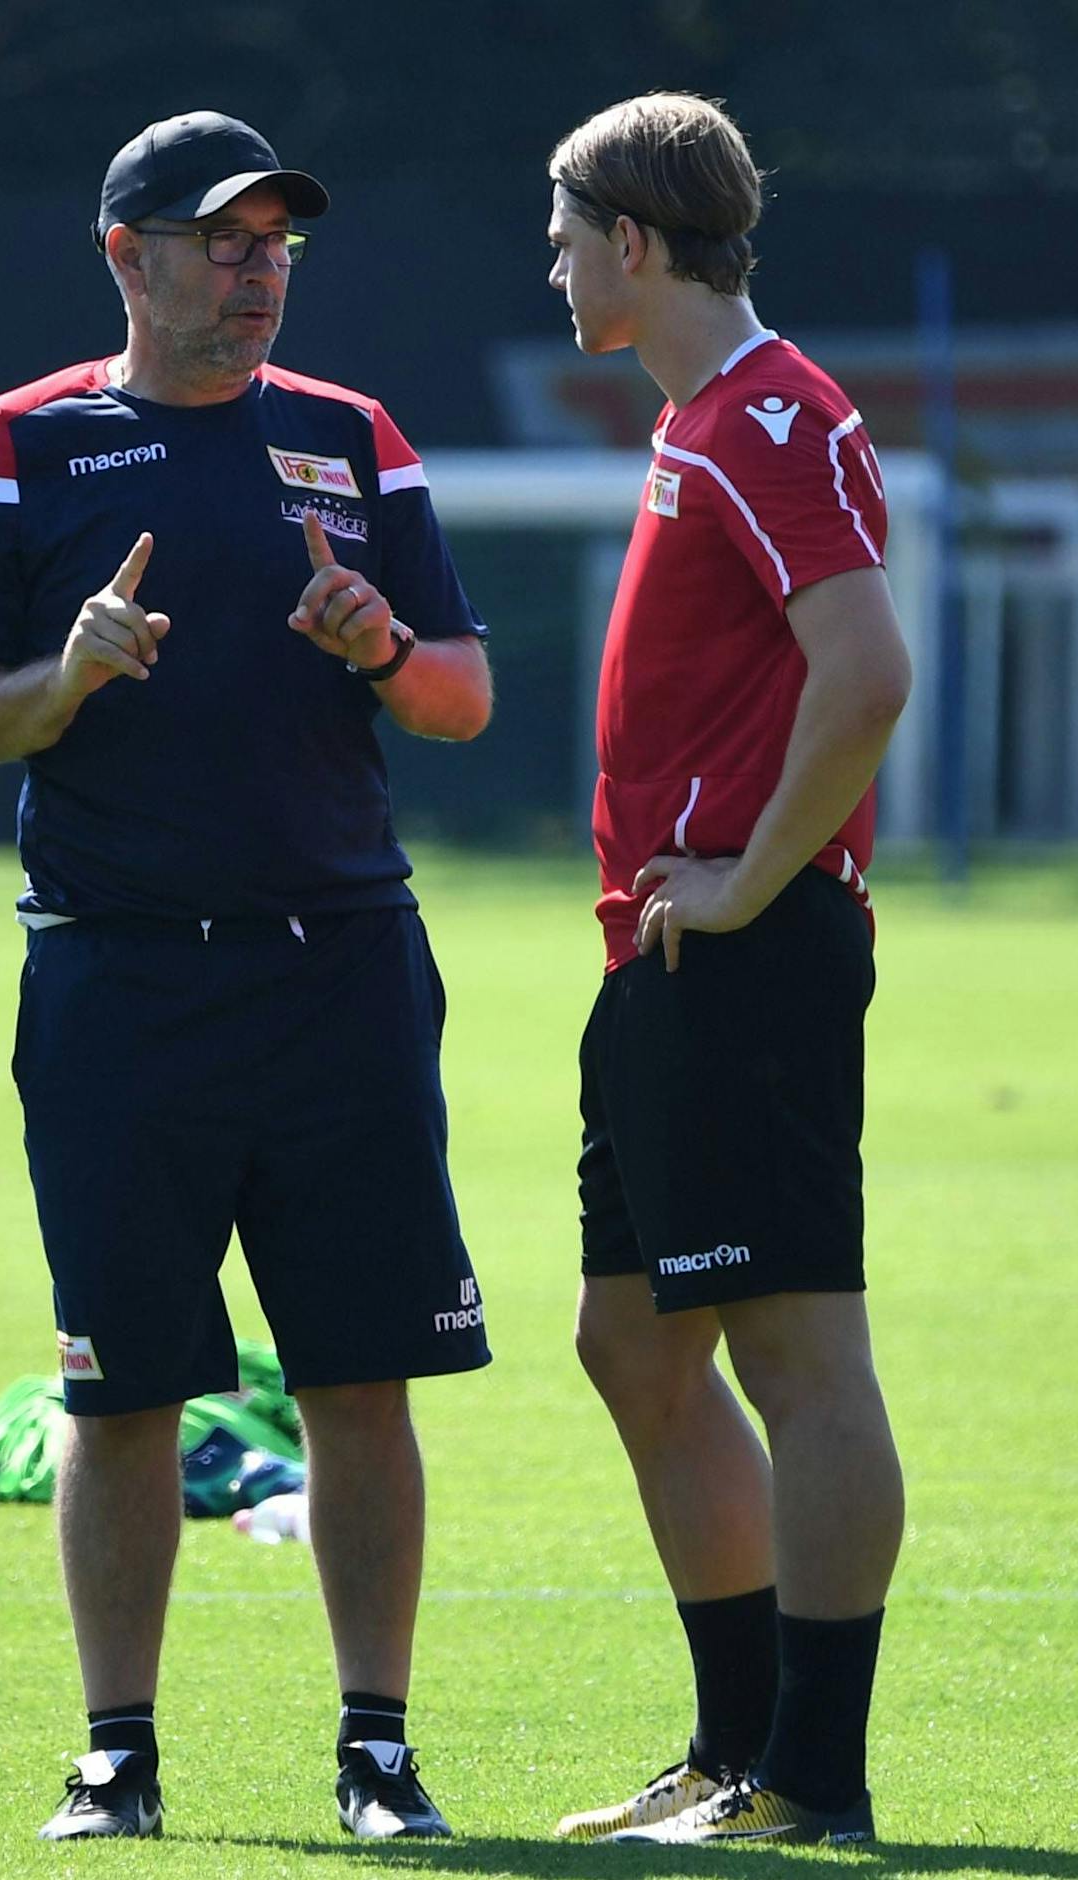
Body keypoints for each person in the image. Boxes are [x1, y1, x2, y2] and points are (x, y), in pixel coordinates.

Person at [0, 110, 494, 1842]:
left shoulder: (349, 437)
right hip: (119, 980)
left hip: (341, 970)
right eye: (221, 241)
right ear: (128, 257)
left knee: (359, 1379)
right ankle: (119, 1756)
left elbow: (460, 695)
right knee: (123, 1387)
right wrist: (67, 675)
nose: (255, 273)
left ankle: (378, 1755)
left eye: (276, 245)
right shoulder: (15, 449)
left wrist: (379, 643)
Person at [542, 94, 911, 1846]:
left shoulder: (774, 414)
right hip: (668, 955)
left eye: (563, 234)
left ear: (632, 240)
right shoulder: (709, 418)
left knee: (797, 1356)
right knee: (632, 1345)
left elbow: (870, 675)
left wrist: (759, 878)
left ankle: (811, 1783)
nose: (550, 267)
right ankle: (734, 1748)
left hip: (744, 949)